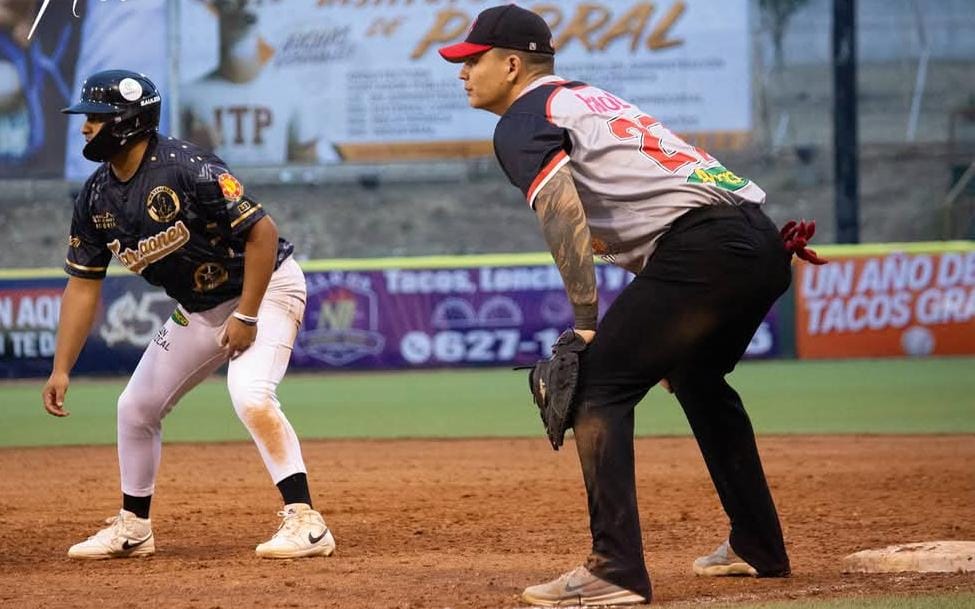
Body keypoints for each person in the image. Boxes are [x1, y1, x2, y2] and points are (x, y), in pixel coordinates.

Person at [440, 4, 823, 606]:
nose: (463, 73)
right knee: (696, 378)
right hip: (760, 242)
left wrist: (586, 324)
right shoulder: (586, 99)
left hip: (706, 249)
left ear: (512, 65)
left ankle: (614, 569)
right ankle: (759, 545)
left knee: (595, 386)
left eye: (473, 60)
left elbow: (561, 212)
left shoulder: (523, 119)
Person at [42, 69, 336, 560]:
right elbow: (82, 286)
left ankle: (307, 522)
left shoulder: (187, 167)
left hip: (266, 288)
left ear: (128, 122)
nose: (85, 127)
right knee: (135, 408)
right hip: (200, 309)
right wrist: (61, 368)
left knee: (251, 394)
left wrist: (247, 316)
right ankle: (134, 527)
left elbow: (262, 234)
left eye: (96, 116)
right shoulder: (95, 197)